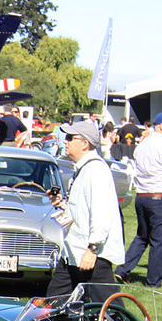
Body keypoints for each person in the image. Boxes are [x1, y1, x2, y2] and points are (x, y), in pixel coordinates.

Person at [48, 119, 124, 301]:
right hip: (73, 252)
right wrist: (62, 204)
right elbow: (81, 211)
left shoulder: (95, 170)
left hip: (91, 255)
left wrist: (93, 249)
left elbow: (101, 213)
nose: (64, 141)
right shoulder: (82, 169)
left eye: (69, 137)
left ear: (84, 143)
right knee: (55, 301)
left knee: (108, 309)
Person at [116, 111, 162, 287]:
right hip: (159, 196)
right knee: (159, 241)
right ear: (161, 126)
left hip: (142, 196)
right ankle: (154, 280)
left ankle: (123, 269)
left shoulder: (143, 145)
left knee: (142, 236)